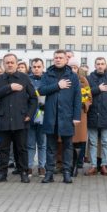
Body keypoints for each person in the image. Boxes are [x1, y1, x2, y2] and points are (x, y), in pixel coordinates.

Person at [0, 53, 38, 183]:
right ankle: (2, 174)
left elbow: (34, 98)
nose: (10, 64)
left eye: (12, 62)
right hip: (4, 119)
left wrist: (29, 114)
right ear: (4, 64)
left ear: (17, 64)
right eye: (7, 62)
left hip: (21, 119)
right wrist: (9, 87)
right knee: (4, 149)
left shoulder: (24, 78)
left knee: (21, 148)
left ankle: (23, 173)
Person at [39, 49, 81, 184]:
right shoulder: (47, 74)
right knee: (50, 146)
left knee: (67, 146)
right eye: (56, 57)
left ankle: (67, 173)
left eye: (60, 57)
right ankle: (49, 173)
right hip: (51, 116)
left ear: (66, 60)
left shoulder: (72, 76)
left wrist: (76, 116)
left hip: (67, 116)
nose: (58, 59)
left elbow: (77, 97)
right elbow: (41, 90)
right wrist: (57, 85)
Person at [85, 57, 107, 176]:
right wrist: (97, 89)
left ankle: (104, 165)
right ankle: (93, 166)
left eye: (102, 64)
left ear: (106, 65)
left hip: (106, 115)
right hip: (92, 114)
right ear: (94, 65)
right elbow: (85, 94)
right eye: (98, 64)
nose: (100, 66)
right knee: (93, 142)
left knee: (105, 142)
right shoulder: (89, 78)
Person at [69, 57, 90, 175]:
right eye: (71, 67)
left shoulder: (83, 80)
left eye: (75, 67)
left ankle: (76, 165)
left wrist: (83, 102)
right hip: (66, 114)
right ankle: (67, 165)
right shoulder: (64, 79)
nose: (73, 69)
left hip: (80, 114)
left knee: (77, 142)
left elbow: (88, 97)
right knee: (67, 141)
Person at [27, 58, 47, 177]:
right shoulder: (27, 79)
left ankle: (42, 167)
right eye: (34, 67)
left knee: (42, 143)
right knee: (30, 143)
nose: (36, 69)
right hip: (30, 115)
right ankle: (29, 166)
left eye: (39, 66)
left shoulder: (47, 79)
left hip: (43, 115)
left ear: (42, 67)